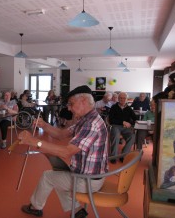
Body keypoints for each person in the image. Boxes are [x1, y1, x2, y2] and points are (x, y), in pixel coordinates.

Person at [18, 85, 108, 217]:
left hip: (89, 180)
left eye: (71, 104)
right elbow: (60, 134)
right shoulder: (85, 119)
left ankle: (35, 207)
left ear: (83, 101)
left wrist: (34, 141)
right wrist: (44, 125)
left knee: (48, 177)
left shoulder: (91, 124)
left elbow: (67, 152)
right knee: (59, 176)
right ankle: (77, 211)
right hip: (87, 175)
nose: (69, 108)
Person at [109, 92, 137, 163]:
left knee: (132, 136)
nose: (122, 99)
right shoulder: (113, 107)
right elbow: (111, 120)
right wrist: (123, 122)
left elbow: (135, 118)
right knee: (115, 135)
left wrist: (130, 123)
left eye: (124, 98)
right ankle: (114, 157)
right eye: (121, 98)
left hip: (125, 128)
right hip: (116, 126)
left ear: (126, 99)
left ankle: (123, 155)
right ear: (118, 99)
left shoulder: (129, 108)